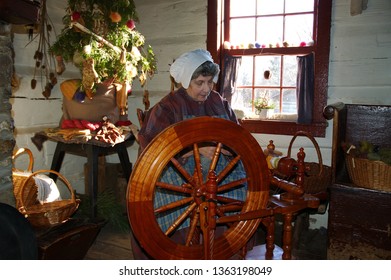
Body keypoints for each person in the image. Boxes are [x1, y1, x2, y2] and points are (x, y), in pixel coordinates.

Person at [132, 49, 247, 259]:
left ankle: (227, 245)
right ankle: (182, 252)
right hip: (177, 170)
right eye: (200, 83)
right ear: (186, 81)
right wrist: (195, 149)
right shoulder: (167, 108)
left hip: (219, 170)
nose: (206, 89)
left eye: (210, 82)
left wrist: (229, 148)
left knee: (247, 183)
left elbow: (237, 135)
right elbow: (151, 147)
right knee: (189, 190)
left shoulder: (219, 102)